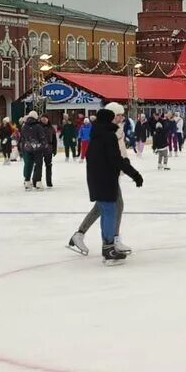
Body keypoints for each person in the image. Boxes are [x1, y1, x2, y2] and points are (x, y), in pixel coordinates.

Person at [70, 107, 143, 262]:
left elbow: (98, 157)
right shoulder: (108, 135)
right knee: (110, 211)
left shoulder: (97, 134)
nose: (119, 119)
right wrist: (133, 173)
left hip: (98, 179)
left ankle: (106, 243)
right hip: (107, 179)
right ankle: (108, 246)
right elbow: (115, 159)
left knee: (107, 209)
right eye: (116, 116)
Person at [40, 114, 57, 187]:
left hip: (49, 148)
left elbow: (54, 140)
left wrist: (54, 150)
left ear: (47, 119)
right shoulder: (38, 127)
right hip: (39, 148)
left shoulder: (51, 128)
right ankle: (37, 181)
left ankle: (49, 181)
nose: (44, 120)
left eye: (45, 118)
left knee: (48, 165)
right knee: (38, 165)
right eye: (42, 118)